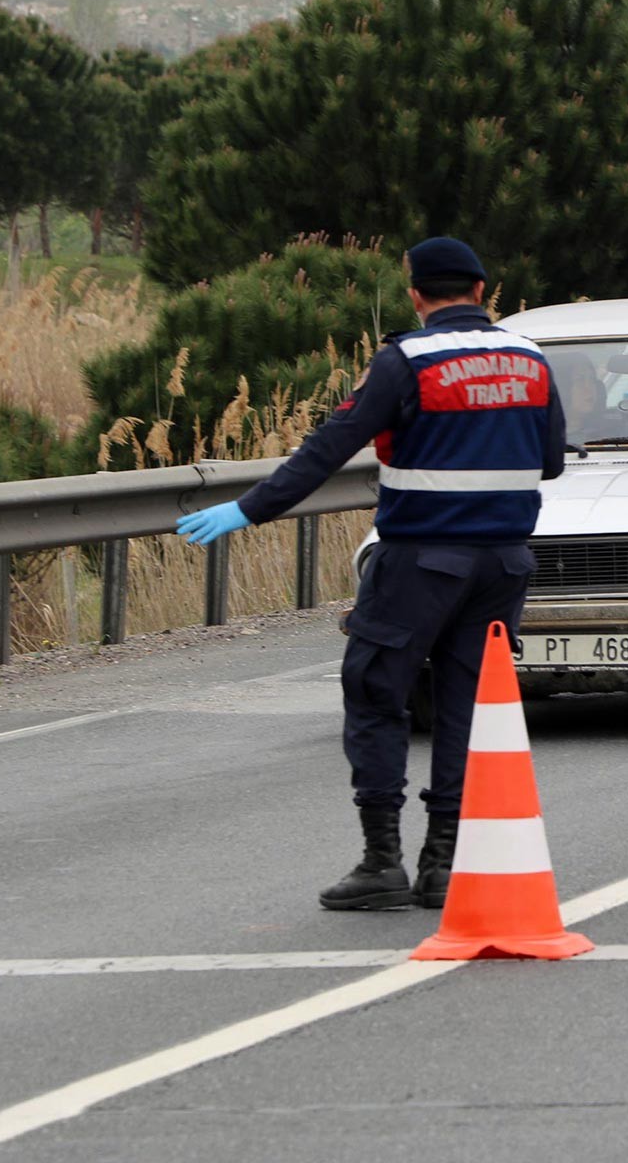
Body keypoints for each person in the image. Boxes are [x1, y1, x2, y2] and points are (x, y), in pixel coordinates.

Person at [175, 238, 567, 909]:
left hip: (419, 562)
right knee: (466, 707)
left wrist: (248, 509)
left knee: (376, 693)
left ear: (416, 294)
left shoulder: (406, 362)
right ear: (480, 291)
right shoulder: (531, 360)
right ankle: (444, 862)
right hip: (504, 564)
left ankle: (381, 859)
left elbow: (328, 448)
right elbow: (552, 461)